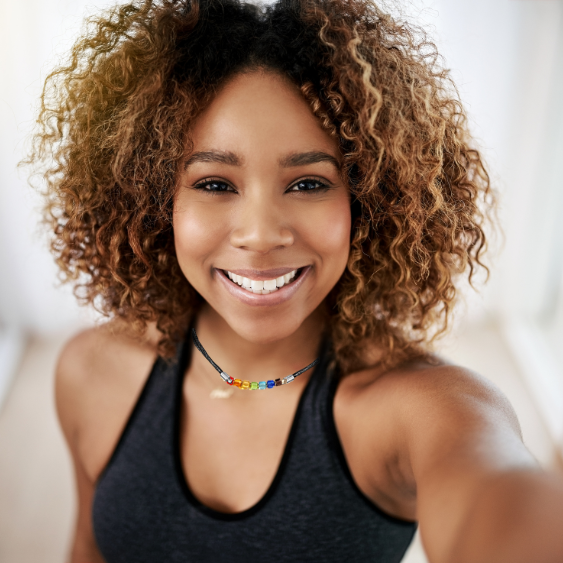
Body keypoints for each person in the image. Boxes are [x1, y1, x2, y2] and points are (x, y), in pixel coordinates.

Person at [26, 0, 563, 561]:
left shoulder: (422, 407)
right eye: (214, 183)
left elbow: (496, 495)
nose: (260, 235)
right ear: (154, 202)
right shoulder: (91, 371)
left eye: (308, 184)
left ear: (370, 203)